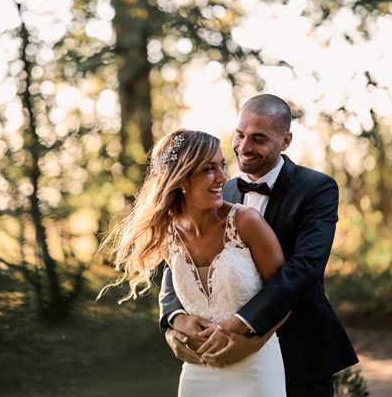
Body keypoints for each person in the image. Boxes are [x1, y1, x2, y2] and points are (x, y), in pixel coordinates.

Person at [160, 94, 359, 397]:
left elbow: (305, 267)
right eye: (239, 135)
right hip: (215, 356)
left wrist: (248, 329)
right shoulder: (218, 188)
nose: (244, 146)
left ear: (285, 140)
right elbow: (179, 257)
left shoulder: (317, 188)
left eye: (258, 138)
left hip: (299, 347)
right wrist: (174, 320)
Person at [100, 129, 288, 396]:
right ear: (181, 178)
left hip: (255, 366)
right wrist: (174, 324)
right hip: (199, 371)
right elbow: (173, 292)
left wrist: (254, 342)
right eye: (208, 169)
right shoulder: (168, 234)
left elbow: (284, 295)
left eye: (222, 165)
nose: (223, 177)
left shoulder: (246, 222)